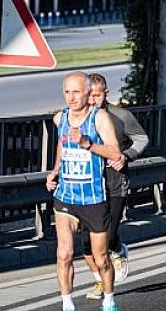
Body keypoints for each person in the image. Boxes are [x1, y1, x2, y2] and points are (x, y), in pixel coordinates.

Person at [45, 71, 122, 311]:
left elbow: (115, 153)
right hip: (65, 197)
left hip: (93, 199)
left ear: (89, 93)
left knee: (100, 259)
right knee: (64, 254)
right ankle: (67, 304)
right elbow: (61, 143)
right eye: (67, 92)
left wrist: (88, 144)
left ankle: (109, 299)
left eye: (76, 91)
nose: (71, 97)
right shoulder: (61, 119)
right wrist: (55, 170)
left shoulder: (99, 119)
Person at [82, 73, 149, 300]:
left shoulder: (121, 116)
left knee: (106, 238)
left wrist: (125, 156)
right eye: (90, 96)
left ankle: (118, 248)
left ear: (106, 93)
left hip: (115, 185)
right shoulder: (80, 118)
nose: (93, 101)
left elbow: (141, 139)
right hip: (89, 187)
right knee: (86, 245)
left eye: (98, 96)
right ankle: (100, 282)